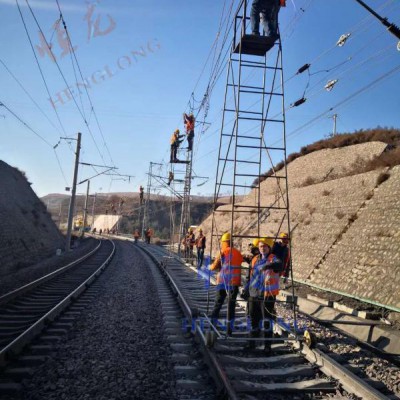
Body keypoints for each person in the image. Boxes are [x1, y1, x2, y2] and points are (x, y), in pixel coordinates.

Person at [245, 237, 283, 353]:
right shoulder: (255, 259)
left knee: (267, 320)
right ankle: (252, 343)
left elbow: (279, 265)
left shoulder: (273, 259)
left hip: (267, 296)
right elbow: (249, 275)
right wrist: (246, 289)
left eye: (265, 246)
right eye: (261, 246)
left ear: (269, 248)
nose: (262, 248)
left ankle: (267, 346)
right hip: (254, 294)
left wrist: (267, 266)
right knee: (253, 320)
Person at [209, 232, 243, 335]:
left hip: (223, 282)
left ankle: (212, 326)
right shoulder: (238, 252)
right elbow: (239, 261)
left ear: (224, 242)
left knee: (218, 304)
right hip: (234, 283)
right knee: (231, 306)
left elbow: (214, 266)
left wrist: (210, 267)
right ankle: (229, 330)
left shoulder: (222, 252)